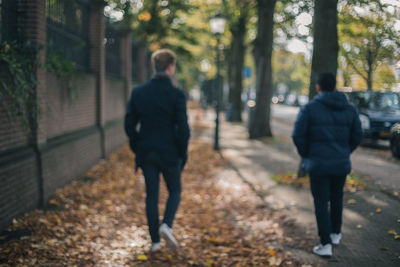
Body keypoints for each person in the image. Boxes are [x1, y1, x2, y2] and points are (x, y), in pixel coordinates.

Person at [124, 49, 190, 252]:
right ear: (170, 67)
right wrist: (181, 152)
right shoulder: (177, 94)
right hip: (170, 153)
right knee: (175, 190)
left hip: (147, 152)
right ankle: (166, 225)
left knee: (151, 196)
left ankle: (155, 242)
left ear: (155, 67)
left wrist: (137, 146)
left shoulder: (138, 92)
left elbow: (129, 124)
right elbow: (183, 129)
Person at [292, 73, 363, 257]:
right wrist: (345, 152)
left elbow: (297, 135)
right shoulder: (350, 109)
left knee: (321, 202)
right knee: (337, 198)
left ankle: (325, 244)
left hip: (318, 165)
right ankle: (335, 234)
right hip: (340, 164)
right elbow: (357, 135)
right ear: (334, 87)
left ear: (318, 87)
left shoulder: (309, 108)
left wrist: (307, 154)